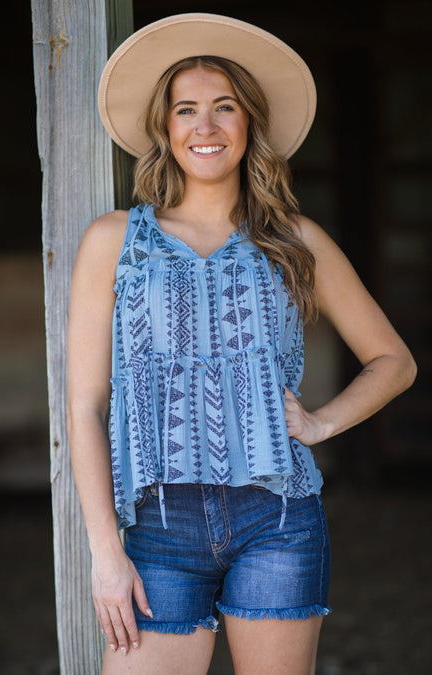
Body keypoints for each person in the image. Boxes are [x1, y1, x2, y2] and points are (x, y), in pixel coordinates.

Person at [67, 13, 416, 675]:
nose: (205, 126)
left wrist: (321, 421)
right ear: (165, 130)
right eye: (186, 109)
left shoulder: (294, 240)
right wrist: (106, 553)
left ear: (249, 122)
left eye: (224, 107)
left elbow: (394, 360)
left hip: (278, 521)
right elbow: (85, 404)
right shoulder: (114, 240)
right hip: (157, 528)